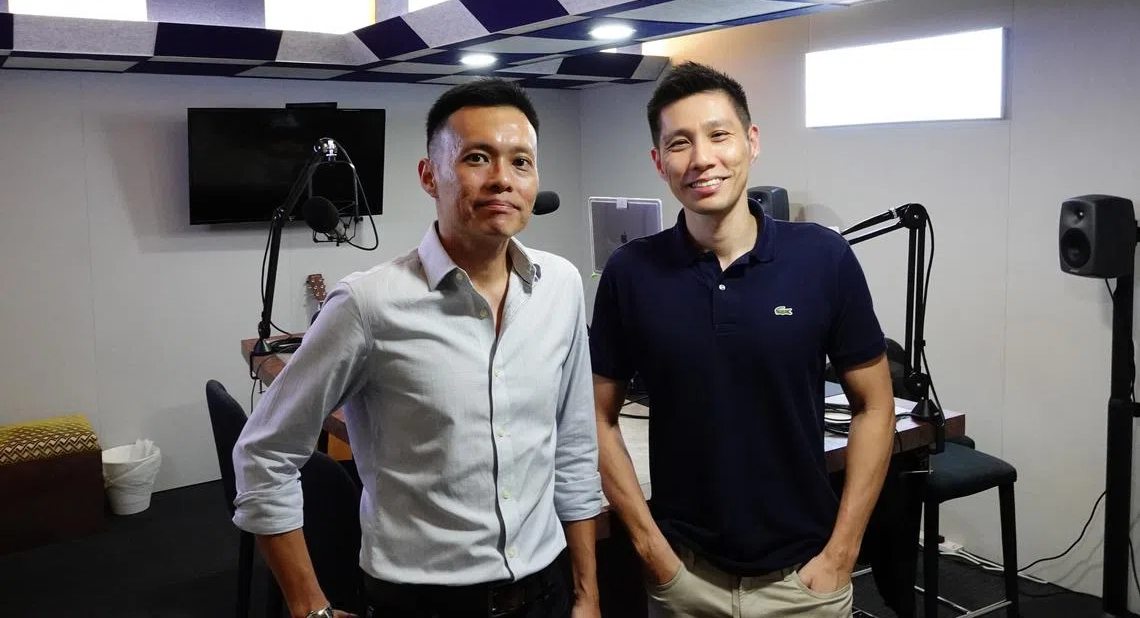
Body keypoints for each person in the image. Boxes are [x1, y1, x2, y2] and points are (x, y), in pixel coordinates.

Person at [233, 78, 603, 618]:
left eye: (521, 162)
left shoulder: (561, 286)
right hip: (424, 602)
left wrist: (588, 594)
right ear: (430, 175)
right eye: (477, 158)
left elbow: (574, 446)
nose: (503, 178)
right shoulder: (368, 303)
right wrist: (309, 607)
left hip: (547, 590)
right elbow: (264, 455)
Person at [590, 62, 896, 617]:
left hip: (806, 581)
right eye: (679, 143)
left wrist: (842, 553)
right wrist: (652, 551)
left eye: (718, 134)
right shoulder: (630, 272)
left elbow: (875, 406)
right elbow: (597, 416)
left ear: (751, 142)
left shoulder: (823, 257)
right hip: (685, 578)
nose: (701, 158)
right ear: (659, 162)